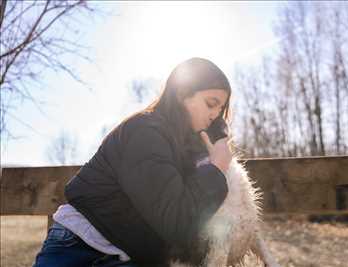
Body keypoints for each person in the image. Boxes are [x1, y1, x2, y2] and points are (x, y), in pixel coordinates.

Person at [33, 57, 233, 267]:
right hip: (80, 247)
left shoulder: (184, 147)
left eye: (221, 109)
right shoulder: (147, 132)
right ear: (183, 93)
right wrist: (216, 168)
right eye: (211, 103)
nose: (216, 115)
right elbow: (178, 223)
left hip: (130, 254)